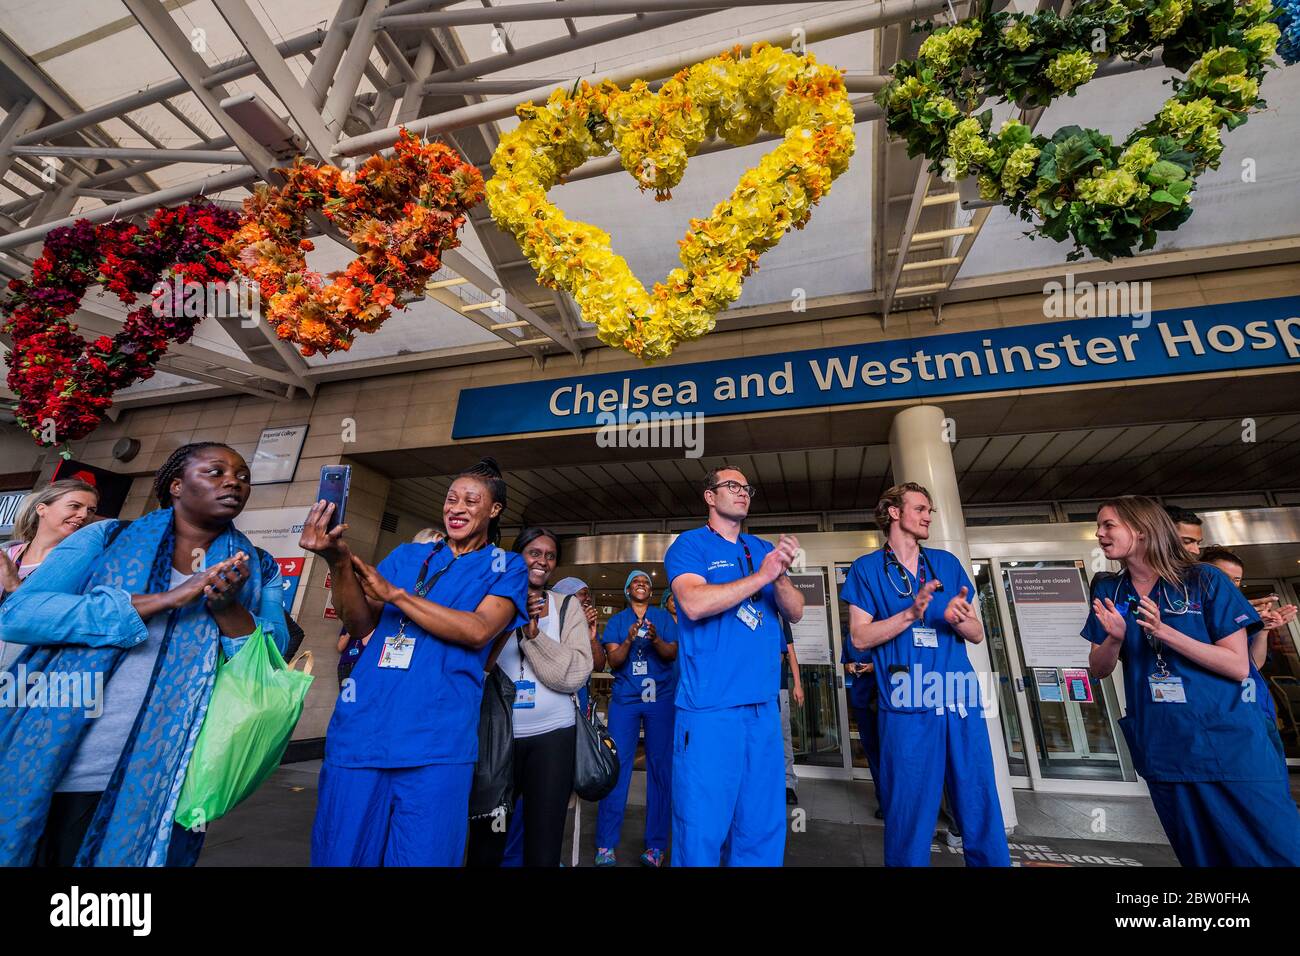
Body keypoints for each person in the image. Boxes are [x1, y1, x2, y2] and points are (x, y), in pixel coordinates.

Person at [0, 442, 288, 866]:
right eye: (215, 471)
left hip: (171, 771)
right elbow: (22, 613)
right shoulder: (107, 537)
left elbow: (270, 656)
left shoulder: (258, 567)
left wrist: (228, 608)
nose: (233, 482)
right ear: (175, 484)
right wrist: (165, 599)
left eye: (243, 476)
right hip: (69, 762)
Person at [305, 457, 528, 867]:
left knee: (423, 857)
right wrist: (337, 562)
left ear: (494, 510)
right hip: (362, 735)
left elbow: (480, 629)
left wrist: (398, 596)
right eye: (451, 498)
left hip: (436, 744)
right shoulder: (408, 556)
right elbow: (357, 623)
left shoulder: (507, 566)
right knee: (341, 854)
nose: (456, 507)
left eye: (471, 500)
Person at [1084, 496, 1300, 866]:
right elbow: (1098, 669)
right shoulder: (1109, 589)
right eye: (1099, 525)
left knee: (1273, 848)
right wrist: (1116, 638)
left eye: (1108, 525)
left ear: (1142, 529)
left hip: (1230, 744)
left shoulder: (1204, 579)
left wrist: (1166, 632)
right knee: (1199, 854)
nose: (1100, 533)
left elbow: (1237, 665)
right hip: (1164, 744)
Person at [841, 482, 1009, 868]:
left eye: (931, 510)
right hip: (906, 702)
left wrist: (959, 620)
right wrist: (909, 615)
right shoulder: (867, 569)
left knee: (978, 802)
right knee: (909, 812)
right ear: (894, 512)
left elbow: (978, 633)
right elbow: (860, 637)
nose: (928, 515)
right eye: (920, 508)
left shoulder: (946, 563)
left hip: (958, 696)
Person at [665, 465, 804, 866]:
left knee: (760, 828)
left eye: (747, 488)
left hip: (761, 710)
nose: (742, 493)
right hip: (710, 711)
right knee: (701, 829)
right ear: (710, 496)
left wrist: (777, 578)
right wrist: (762, 576)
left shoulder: (762, 548)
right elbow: (693, 603)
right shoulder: (690, 546)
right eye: (732, 486)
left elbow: (794, 612)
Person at [466, 527, 591, 867]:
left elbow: (577, 673)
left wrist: (534, 637)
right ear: (517, 556)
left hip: (554, 738)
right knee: (487, 842)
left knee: (544, 844)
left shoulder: (567, 608)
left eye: (550, 556)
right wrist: (513, 619)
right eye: (534, 552)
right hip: (497, 740)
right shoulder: (493, 603)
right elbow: (479, 667)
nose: (542, 561)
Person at [500, 574, 603, 868]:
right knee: (512, 811)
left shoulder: (575, 624)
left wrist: (591, 636)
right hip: (514, 729)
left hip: (560, 726)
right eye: (580, 595)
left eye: (587, 595)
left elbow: (596, 665)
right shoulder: (531, 615)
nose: (586, 600)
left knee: (547, 808)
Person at [595, 569, 678, 867]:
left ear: (651, 591)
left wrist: (655, 640)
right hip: (626, 700)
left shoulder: (664, 618)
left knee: (660, 769)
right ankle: (605, 844)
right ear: (628, 589)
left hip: (660, 700)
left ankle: (655, 846)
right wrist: (629, 640)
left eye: (646, 582)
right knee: (616, 767)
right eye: (636, 582)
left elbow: (671, 654)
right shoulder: (618, 621)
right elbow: (613, 660)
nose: (641, 585)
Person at [0, 479, 100, 671]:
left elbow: (62, 622)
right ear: (42, 509)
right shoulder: (7, 554)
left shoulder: (83, 568)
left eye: (90, 510)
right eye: (75, 506)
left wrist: (15, 587)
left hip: (21, 672)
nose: (83, 515)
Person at [1198, 546, 1297, 731]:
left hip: (1255, 708)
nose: (1230, 584)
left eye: (1236, 580)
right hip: (1218, 713)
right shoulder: (1191, 614)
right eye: (1223, 576)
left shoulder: (1241, 615)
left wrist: (1263, 630)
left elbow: (1253, 664)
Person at [840, 637, 883, 818]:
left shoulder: (882, 630)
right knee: (872, 753)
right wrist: (849, 667)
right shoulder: (850, 637)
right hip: (862, 700)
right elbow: (845, 662)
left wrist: (874, 667)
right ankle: (883, 801)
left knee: (889, 752)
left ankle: (898, 800)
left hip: (882, 699)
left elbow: (893, 660)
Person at [777, 617, 804, 805]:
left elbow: (790, 653)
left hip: (779, 687)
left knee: (784, 736)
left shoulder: (780, 617)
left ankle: (788, 784)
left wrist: (798, 685)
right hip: (753, 688)